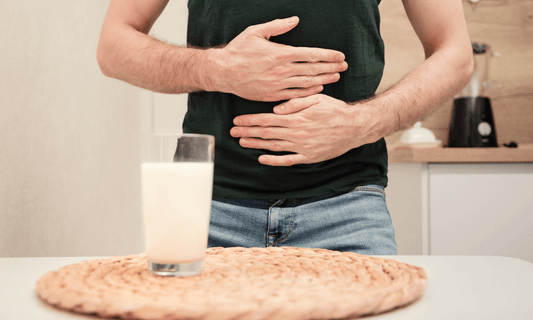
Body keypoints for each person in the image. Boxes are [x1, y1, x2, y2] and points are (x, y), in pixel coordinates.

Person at [97, 0, 473, 255]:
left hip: (347, 212)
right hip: (206, 211)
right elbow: (113, 46)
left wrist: (360, 122)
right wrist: (219, 68)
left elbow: (455, 54)